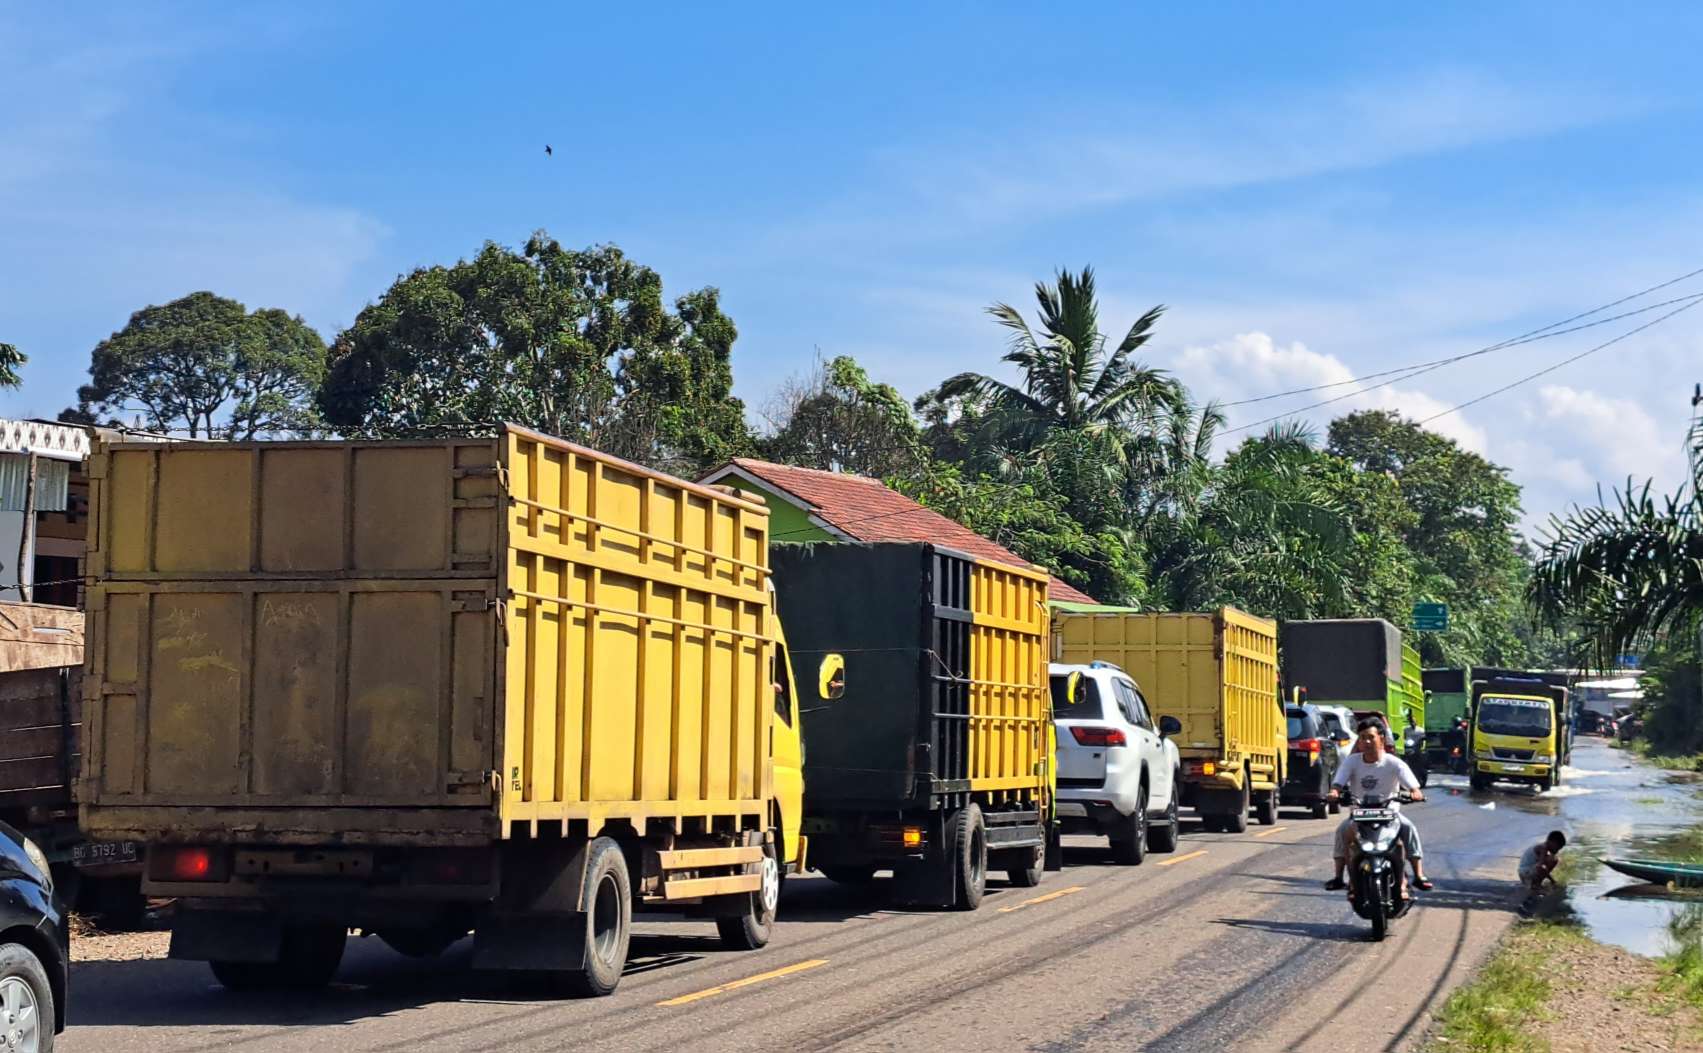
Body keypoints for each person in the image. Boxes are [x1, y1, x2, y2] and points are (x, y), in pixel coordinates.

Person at [1323, 720, 1431, 893]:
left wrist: (1415, 792)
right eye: (1362, 738)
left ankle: (1419, 875)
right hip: (1359, 814)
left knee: (1408, 828)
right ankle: (1338, 877)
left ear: (1381, 739)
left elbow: (1413, 786)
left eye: (1371, 737)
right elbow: (1338, 783)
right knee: (1342, 831)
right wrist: (1334, 792)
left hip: (1389, 815)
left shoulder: (1394, 763)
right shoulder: (1352, 762)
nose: (1366, 742)